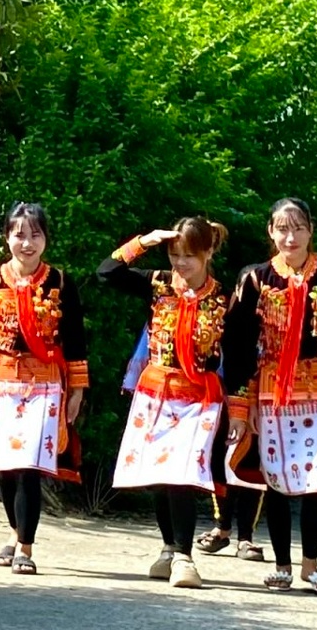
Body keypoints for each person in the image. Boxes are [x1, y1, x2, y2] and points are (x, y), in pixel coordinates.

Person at [222, 197, 317, 595]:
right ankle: (282, 565)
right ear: (271, 232)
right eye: (282, 228)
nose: (291, 236)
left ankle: (310, 566)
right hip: (272, 393)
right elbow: (238, 344)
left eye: (298, 227)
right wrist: (239, 403)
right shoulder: (257, 279)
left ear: (310, 230)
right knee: (279, 480)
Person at [0, 202, 90, 577]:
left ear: (45, 239)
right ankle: (14, 532)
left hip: (44, 386)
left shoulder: (60, 282)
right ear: (7, 238)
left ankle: (25, 546)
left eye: (35, 235)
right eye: (19, 235)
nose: (27, 243)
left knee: (28, 466)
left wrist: (76, 391)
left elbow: (75, 340)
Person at [99, 216, 233, 589]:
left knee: (183, 475)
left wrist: (238, 407)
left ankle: (186, 557)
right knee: (158, 476)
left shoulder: (224, 297)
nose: (180, 263)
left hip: (199, 397)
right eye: (174, 254)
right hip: (156, 392)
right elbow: (107, 272)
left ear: (207, 252)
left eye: (189, 255)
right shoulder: (157, 284)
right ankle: (169, 548)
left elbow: (235, 356)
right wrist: (144, 241)